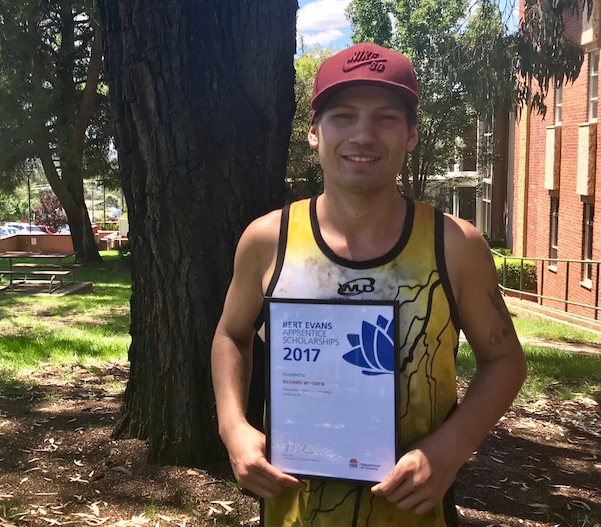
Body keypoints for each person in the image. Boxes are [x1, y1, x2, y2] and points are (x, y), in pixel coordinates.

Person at [211, 42, 527, 527]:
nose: (363, 134)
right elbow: (231, 336)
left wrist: (450, 449)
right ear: (314, 133)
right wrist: (233, 428)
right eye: (343, 116)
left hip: (414, 515)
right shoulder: (267, 239)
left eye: (385, 118)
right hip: (291, 511)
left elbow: (505, 361)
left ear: (411, 135)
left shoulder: (455, 246)